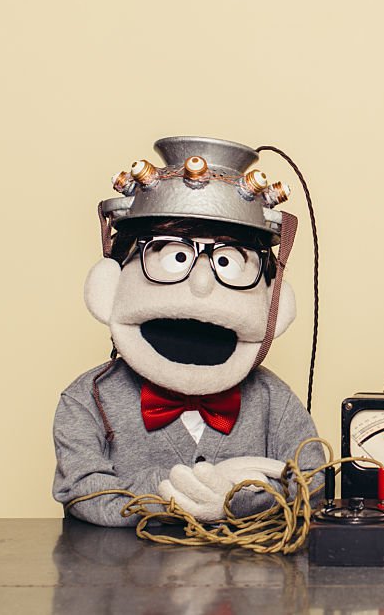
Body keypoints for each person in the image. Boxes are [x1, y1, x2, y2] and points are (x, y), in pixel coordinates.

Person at [53, 136, 323, 527]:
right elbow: (83, 490)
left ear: (275, 307)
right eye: (174, 257)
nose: (199, 286)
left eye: (228, 262)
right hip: (119, 584)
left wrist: (240, 499)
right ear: (107, 288)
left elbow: (311, 484)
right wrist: (176, 492)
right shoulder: (86, 399)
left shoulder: (272, 400)